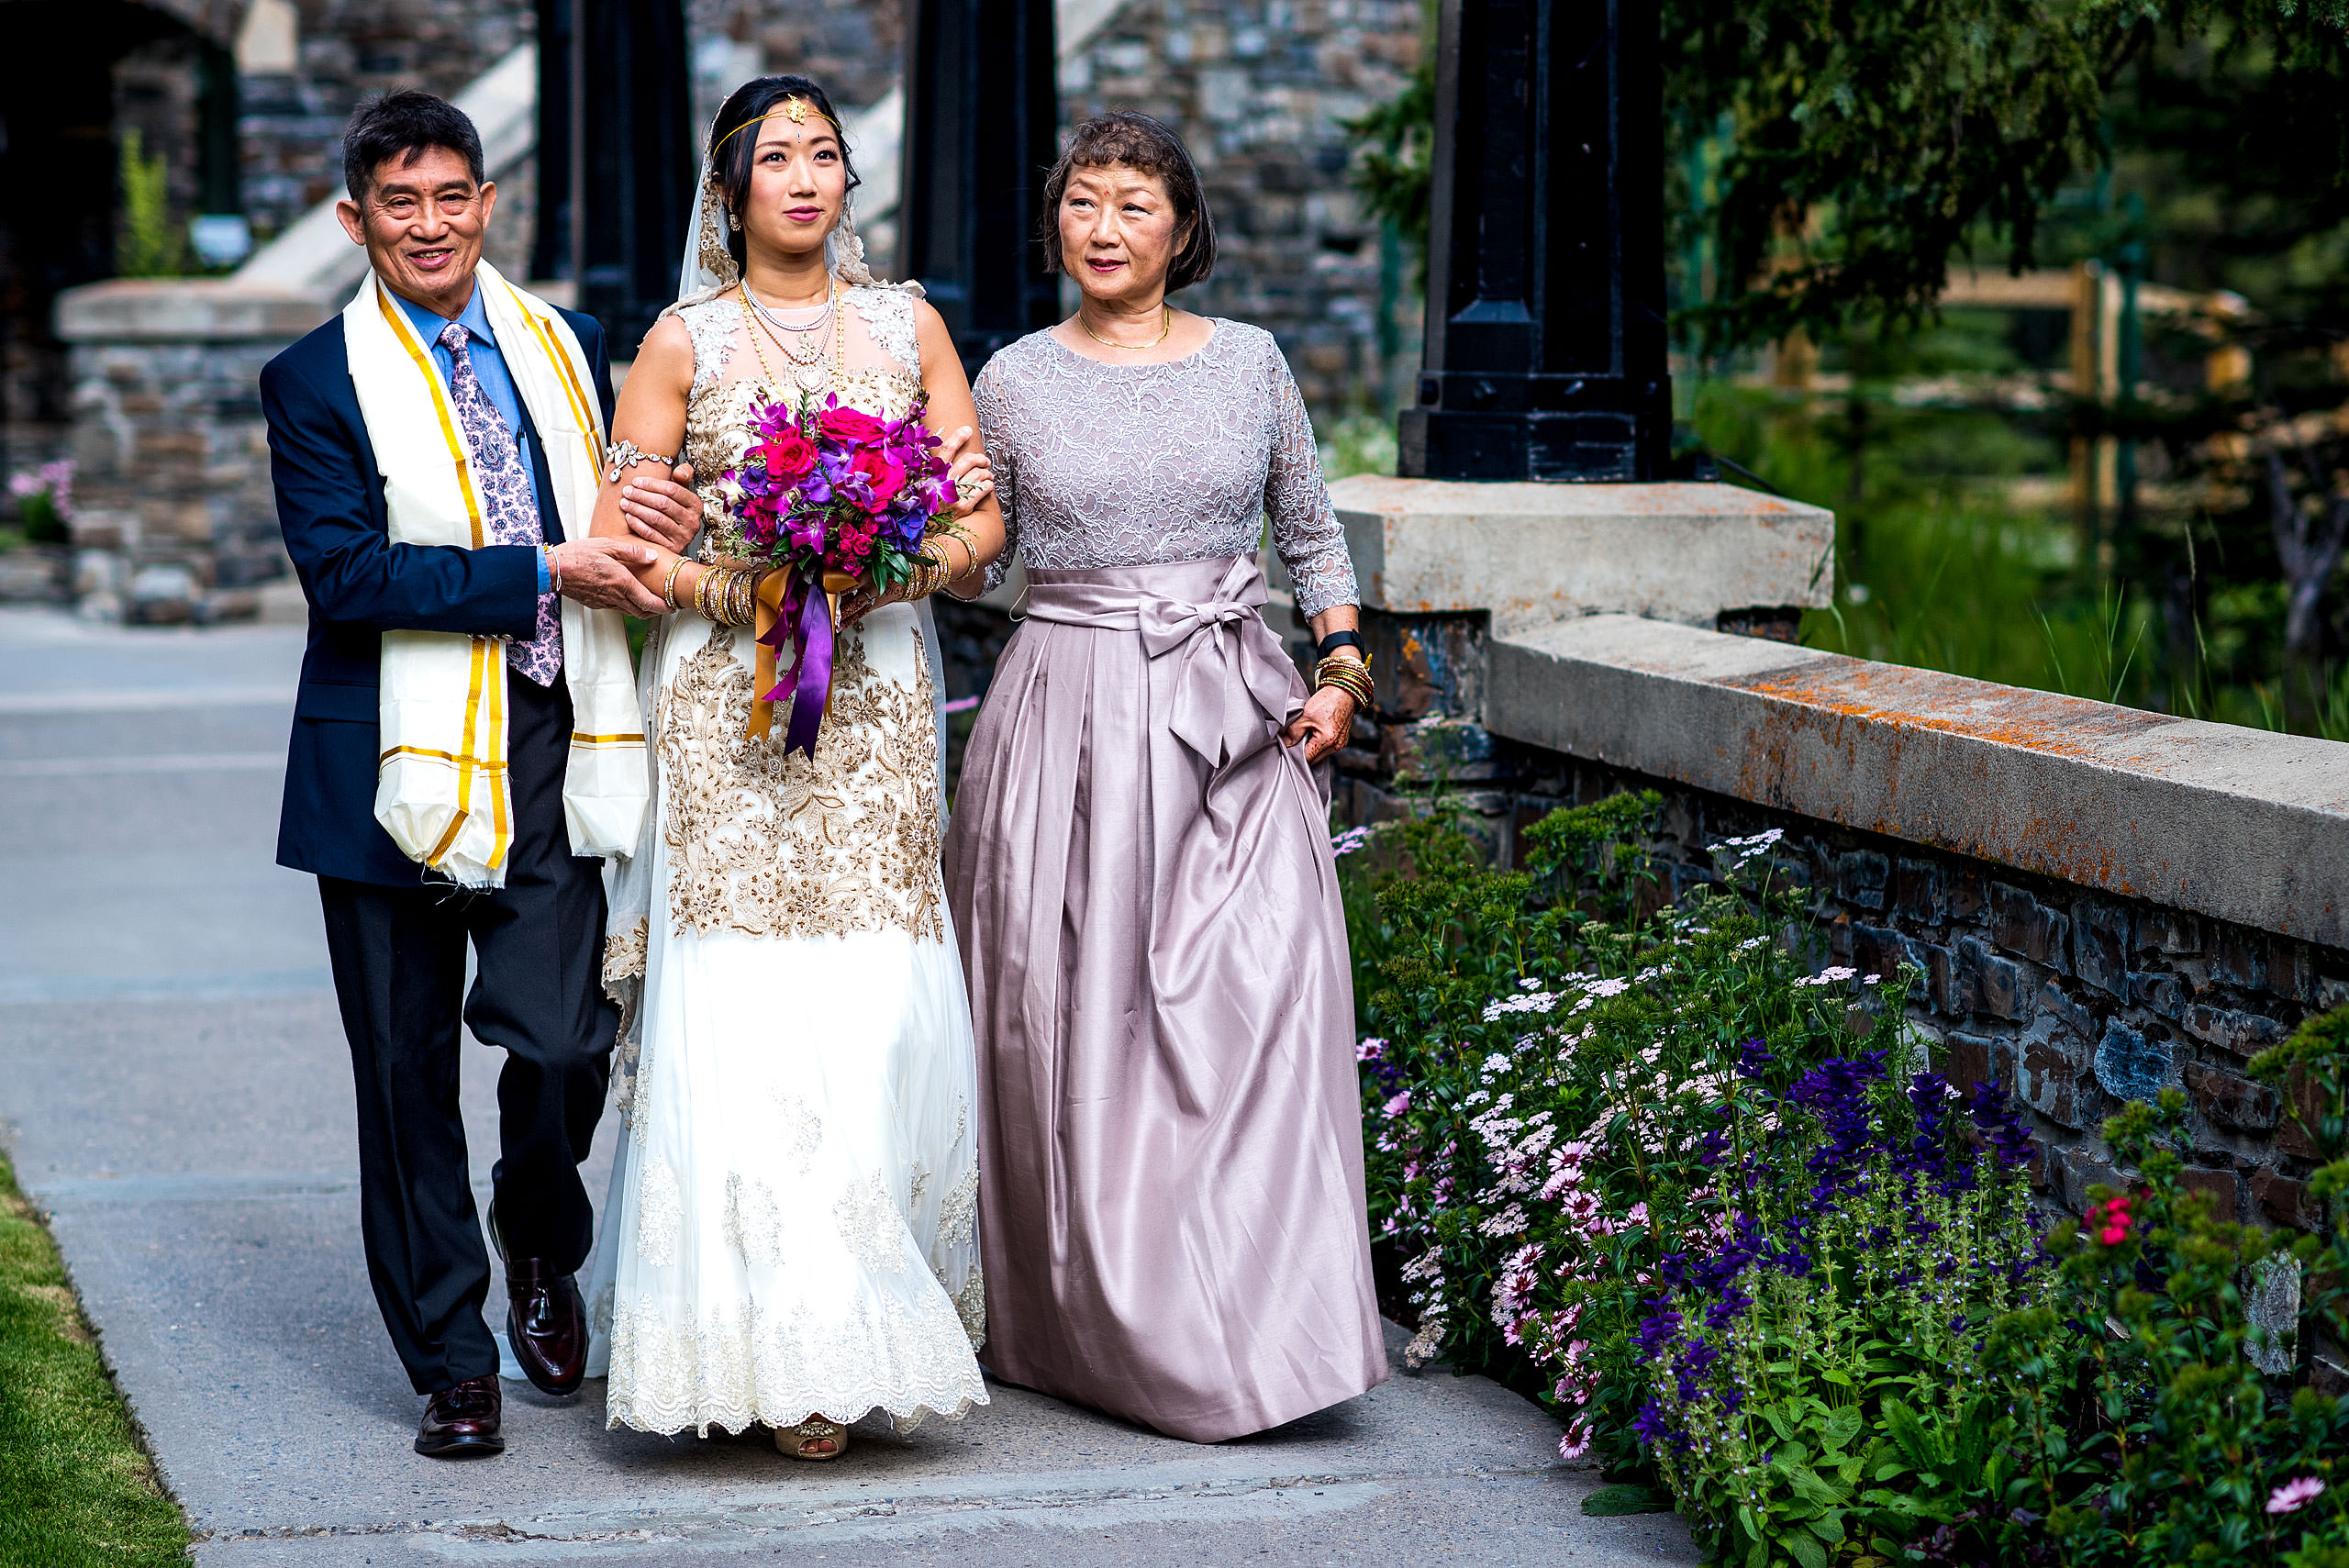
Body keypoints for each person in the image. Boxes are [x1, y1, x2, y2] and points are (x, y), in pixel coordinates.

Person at [262, 90, 708, 1458]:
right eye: (401, 202)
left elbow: (609, 506)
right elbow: (343, 577)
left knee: (569, 1039)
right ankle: (452, 1358)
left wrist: (654, 518)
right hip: (385, 759)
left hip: (554, 732)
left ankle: (537, 1239)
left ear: (487, 202)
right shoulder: (314, 381)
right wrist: (541, 570)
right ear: (356, 220)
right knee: (402, 1082)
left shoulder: (557, 342)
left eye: (453, 196)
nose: (432, 223)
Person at [941, 111, 1387, 1443]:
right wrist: (873, 526)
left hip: (1231, 718)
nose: (1106, 226)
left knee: (1257, 1003)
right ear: (1057, 226)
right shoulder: (1010, 379)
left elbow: (1312, 538)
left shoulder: (1253, 364)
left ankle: (1267, 1316)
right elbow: (976, 551)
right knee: (1070, 1018)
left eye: (1135, 203)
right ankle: (1084, 1316)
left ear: (1182, 230)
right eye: (1083, 203)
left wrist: (1342, 674)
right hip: (1063, 714)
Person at [580, 75, 1007, 1461]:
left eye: (827, 154)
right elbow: (621, 538)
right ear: (731, 189)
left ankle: (862, 1321)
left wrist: (899, 571)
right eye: (779, 158)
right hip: (730, 708)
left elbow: (984, 507)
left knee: (874, 1004)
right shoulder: (681, 341)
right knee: (749, 1011)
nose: (808, 178)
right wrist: (734, 598)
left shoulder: (908, 324)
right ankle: (762, 1343)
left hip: (874, 700)